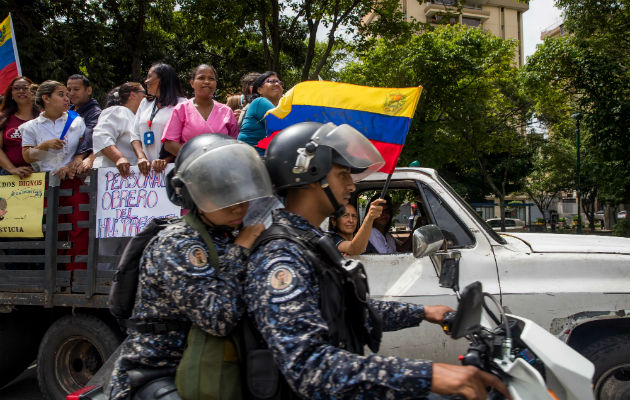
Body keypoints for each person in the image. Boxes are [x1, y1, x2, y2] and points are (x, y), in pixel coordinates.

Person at [245, 121, 510, 399]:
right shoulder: (281, 257)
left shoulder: (310, 242)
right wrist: (429, 375)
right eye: (343, 174)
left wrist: (424, 312)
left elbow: (347, 307)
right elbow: (310, 366)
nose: (351, 184)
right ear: (312, 175)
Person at [108, 133, 272, 400]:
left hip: (211, 367)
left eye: (240, 190)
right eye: (222, 192)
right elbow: (217, 318)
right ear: (191, 194)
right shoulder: (178, 244)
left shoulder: (227, 234)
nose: (238, 203)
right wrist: (241, 250)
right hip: (158, 373)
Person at [20, 80, 89, 270]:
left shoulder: (77, 121)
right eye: (61, 94)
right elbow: (26, 156)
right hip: (45, 184)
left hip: (73, 181)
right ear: (46, 98)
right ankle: (55, 277)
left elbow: (86, 148)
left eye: (67, 94)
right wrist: (43, 146)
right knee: (52, 230)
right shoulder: (30, 127)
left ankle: (77, 277)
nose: (67, 98)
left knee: (79, 228)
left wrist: (76, 161)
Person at [162, 64, 239, 157]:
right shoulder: (181, 109)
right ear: (192, 83)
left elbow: (234, 143)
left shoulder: (226, 111)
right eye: (201, 78)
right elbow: (170, 143)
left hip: (220, 167)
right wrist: (196, 157)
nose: (206, 82)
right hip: (190, 167)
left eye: (211, 79)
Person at [131, 63, 186, 175]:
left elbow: (185, 141)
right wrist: (141, 157)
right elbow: (135, 134)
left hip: (172, 170)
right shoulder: (145, 103)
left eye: (149, 76)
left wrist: (166, 160)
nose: (146, 81)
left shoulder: (183, 104)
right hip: (146, 171)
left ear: (163, 79)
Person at [92, 82, 146, 176]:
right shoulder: (116, 111)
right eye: (143, 93)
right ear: (133, 95)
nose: (145, 97)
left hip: (131, 179)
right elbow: (101, 136)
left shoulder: (136, 117)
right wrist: (119, 158)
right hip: (110, 177)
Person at [0, 76, 40, 177]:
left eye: (25, 88)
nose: (21, 91)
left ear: (33, 92)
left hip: (41, 175)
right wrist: (12, 169)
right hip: (10, 176)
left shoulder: (44, 117)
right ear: (11, 94)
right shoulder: (3, 118)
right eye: (16, 88)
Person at [237, 71, 283, 155]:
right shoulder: (259, 102)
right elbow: (285, 127)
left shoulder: (283, 108)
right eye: (271, 81)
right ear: (259, 90)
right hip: (251, 159)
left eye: (279, 82)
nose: (277, 84)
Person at [67, 74, 102, 175]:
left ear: (89, 90)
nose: (71, 93)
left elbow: (89, 133)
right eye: (69, 90)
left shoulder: (95, 113)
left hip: (82, 168)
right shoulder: (67, 112)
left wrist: (79, 157)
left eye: (76, 89)